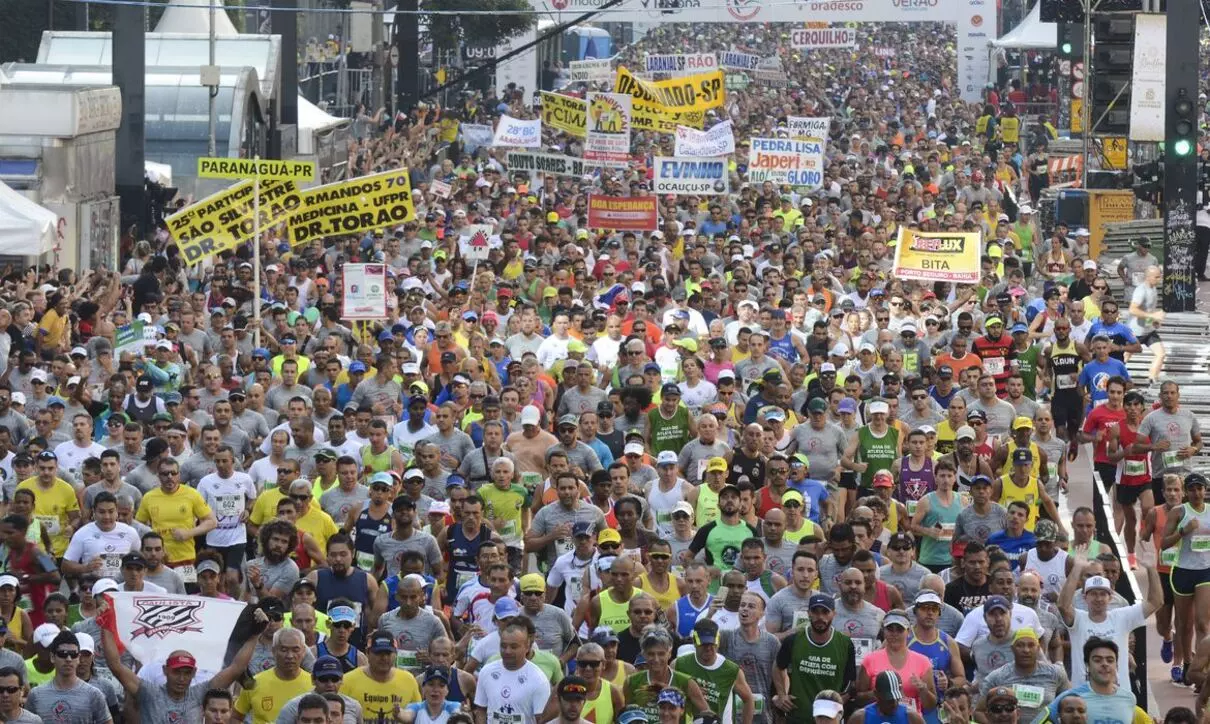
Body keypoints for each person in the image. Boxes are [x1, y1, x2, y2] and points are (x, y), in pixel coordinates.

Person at [1057, 547, 1161, 687]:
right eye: (1093, 594)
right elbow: (1063, 605)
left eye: (1102, 594)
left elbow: (1156, 602)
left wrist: (1151, 569)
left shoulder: (1122, 616)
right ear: (1084, 597)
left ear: (1110, 597)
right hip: (1084, 698)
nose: (1098, 598)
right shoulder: (1078, 619)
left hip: (1118, 695)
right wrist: (1077, 567)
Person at [773, 593, 856, 719]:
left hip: (829, 718)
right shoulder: (793, 640)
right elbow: (778, 666)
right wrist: (781, 694)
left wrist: (841, 700)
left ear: (834, 613)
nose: (820, 617)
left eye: (825, 612)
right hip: (799, 716)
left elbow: (851, 681)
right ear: (808, 613)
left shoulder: (845, 644)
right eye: (815, 612)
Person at [25, 630, 110, 724]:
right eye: (63, 654)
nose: (68, 659)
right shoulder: (36, 695)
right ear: (52, 657)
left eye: (73, 655)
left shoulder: (94, 695)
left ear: (78, 658)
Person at [473, 622, 550, 724]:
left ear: (527, 647)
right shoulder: (487, 671)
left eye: (514, 647)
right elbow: (481, 710)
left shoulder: (538, 679)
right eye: (503, 646)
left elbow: (541, 720)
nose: (507, 651)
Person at [846, 671, 926, 724]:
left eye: (897, 698)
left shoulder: (912, 718)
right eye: (889, 700)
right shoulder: (860, 718)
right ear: (876, 694)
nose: (894, 704)